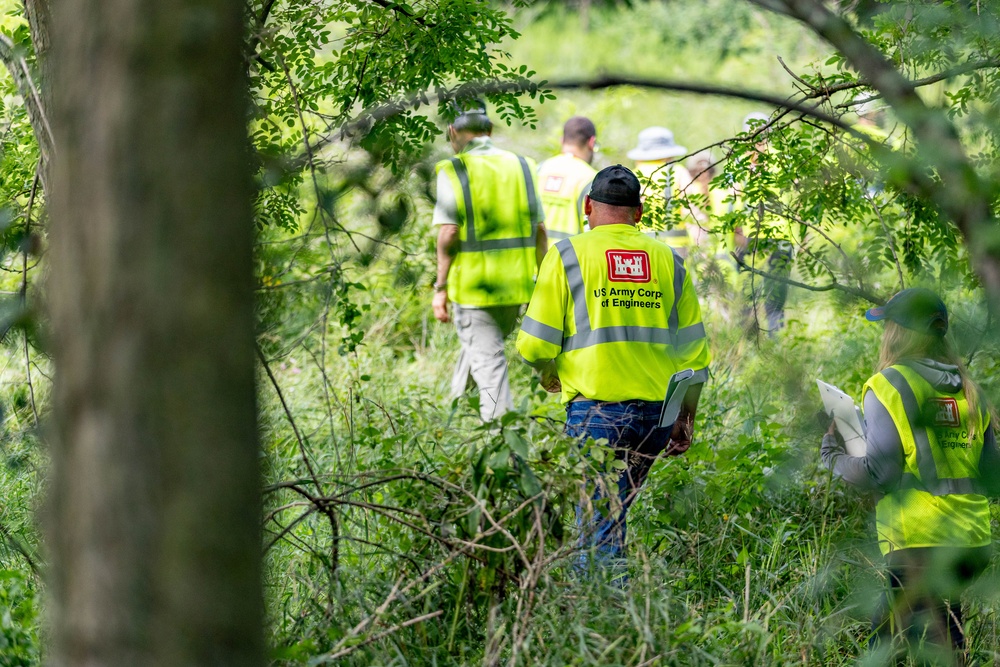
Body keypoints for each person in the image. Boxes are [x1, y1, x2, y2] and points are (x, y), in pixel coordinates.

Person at [515, 165, 711, 579]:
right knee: (610, 517)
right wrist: (684, 419)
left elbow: (533, 344)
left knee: (599, 527)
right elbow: (695, 355)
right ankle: (612, 613)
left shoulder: (567, 255)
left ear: (587, 206)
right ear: (638, 213)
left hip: (597, 415)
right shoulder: (669, 260)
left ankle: (607, 619)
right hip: (656, 419)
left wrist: (549, 370)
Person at [821, 288, 1000, 665]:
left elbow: (877, 472)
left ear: (898, 333)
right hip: (972, 544)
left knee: (885, 645)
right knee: (930, 632)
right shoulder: (972, 392)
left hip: (919, 545)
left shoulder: (889, 385)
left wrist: (833, 457)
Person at [432, 100, 548, 422]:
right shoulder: (524, 166)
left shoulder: (454, 169)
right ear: (490, 130)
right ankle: (452, 420)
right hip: (517, 287)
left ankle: (504, 445)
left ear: (453, 132)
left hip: (474, 291)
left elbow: (449, 233)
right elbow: (540, 230)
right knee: (483, 353)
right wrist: (545, 282)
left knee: (491, 368)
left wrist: (440, 288)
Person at [627, 126, 694, 257]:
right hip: (675, 251)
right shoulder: (678, 173)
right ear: (670, 152)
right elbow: (691, 214)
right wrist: (703, 254)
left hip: (640, 249)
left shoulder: (632, 176)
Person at [538, 116, 598, 247]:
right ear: (591, 142)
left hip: (538, 261)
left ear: (562, 140)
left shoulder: (540, 169)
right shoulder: (590, 178)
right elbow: (592, 229)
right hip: (572, 260)